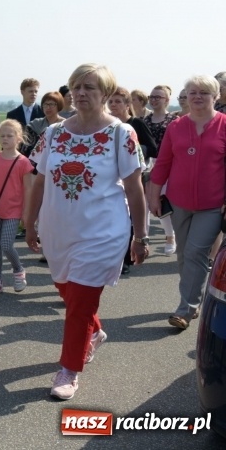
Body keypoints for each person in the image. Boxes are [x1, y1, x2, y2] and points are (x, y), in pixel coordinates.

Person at [25, 63, 147, 401]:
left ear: (105, 94)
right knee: (68, 290)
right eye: (76, 86)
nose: (80, 93)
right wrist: (29, 221)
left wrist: (141, 235)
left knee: (79, 302)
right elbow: (39, 180)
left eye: (89, 87)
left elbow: (135, 189)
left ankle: (69, 369)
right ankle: (94, 332)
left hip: (103, 232)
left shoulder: (122, 134)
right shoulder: (53, 133)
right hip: (58, 231)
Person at [148, 75, 226, 331]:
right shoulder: (176, 127)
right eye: (192, 92)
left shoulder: (224, 125)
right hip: (179, 202)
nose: (197, 96)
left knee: (195, 252)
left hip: (213, 204)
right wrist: (153, 194)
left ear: (216, 97)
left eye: (204, 92)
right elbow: (163, 163)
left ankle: (185, 309)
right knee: (184, 254)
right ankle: (194, 298)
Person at [106, 87, 157, 274]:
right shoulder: (107, 125)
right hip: (112, 178)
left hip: (132, 175)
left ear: (128, 105)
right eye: (110, 101)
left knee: (129, 217)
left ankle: (126, 258)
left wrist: (131, 152)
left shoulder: (136, 123)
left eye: (118, 101)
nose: (113, 105)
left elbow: (152, 148)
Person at [0, 119, 33, 295]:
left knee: (6, 244)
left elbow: (28, 189)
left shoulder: (23, 162)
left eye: (9, 135)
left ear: (18, 138)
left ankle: (18, 271)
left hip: (14, 210)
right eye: (2, 136)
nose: (5, 139)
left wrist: (27, 213)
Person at [144, 85, 178, 256]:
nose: (154, 100)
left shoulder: (174, 121)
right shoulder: (144, 121)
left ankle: (171, 236)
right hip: (149, 163)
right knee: (150, 202)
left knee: (164, 200)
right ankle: (149, 238)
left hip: (169, 164)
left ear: (167, 100)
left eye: (158, 97)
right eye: (152, 96)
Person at [22, 91, 66, 157]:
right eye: (45, 104)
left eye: (51, 104)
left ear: (59, 106)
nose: (48, 107)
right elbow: (26, 146)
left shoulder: (65, 125)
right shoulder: (35, 124)